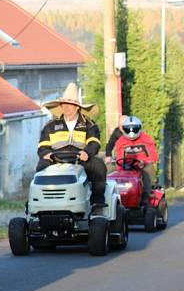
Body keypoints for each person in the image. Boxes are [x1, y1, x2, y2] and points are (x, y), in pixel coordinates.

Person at [37, 82, 107, 215]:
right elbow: (42, 145)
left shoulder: (89, 125)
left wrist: (87, 152)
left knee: (99, 166)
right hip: (55, 160)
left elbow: (94, 142)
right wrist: (46, 154)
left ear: (77, 107)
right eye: (64, 104)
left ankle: (97, 203)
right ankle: (39, 204)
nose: (66, 107)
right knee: (40, 168)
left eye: (70, 105)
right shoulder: (50, 125)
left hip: (80, 160)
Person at [112, 115, 158, 202]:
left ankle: (146, 194)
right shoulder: (121, 142)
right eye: (128, 129)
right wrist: (120, 167)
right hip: (126, 166)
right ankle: (112, 195)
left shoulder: (146, 139)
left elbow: (153, 156)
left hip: (142, 165)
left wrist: (144, 162)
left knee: (149, 168)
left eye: (134, 129)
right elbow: (119, 158)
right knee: (109, 169)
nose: (131, 132)